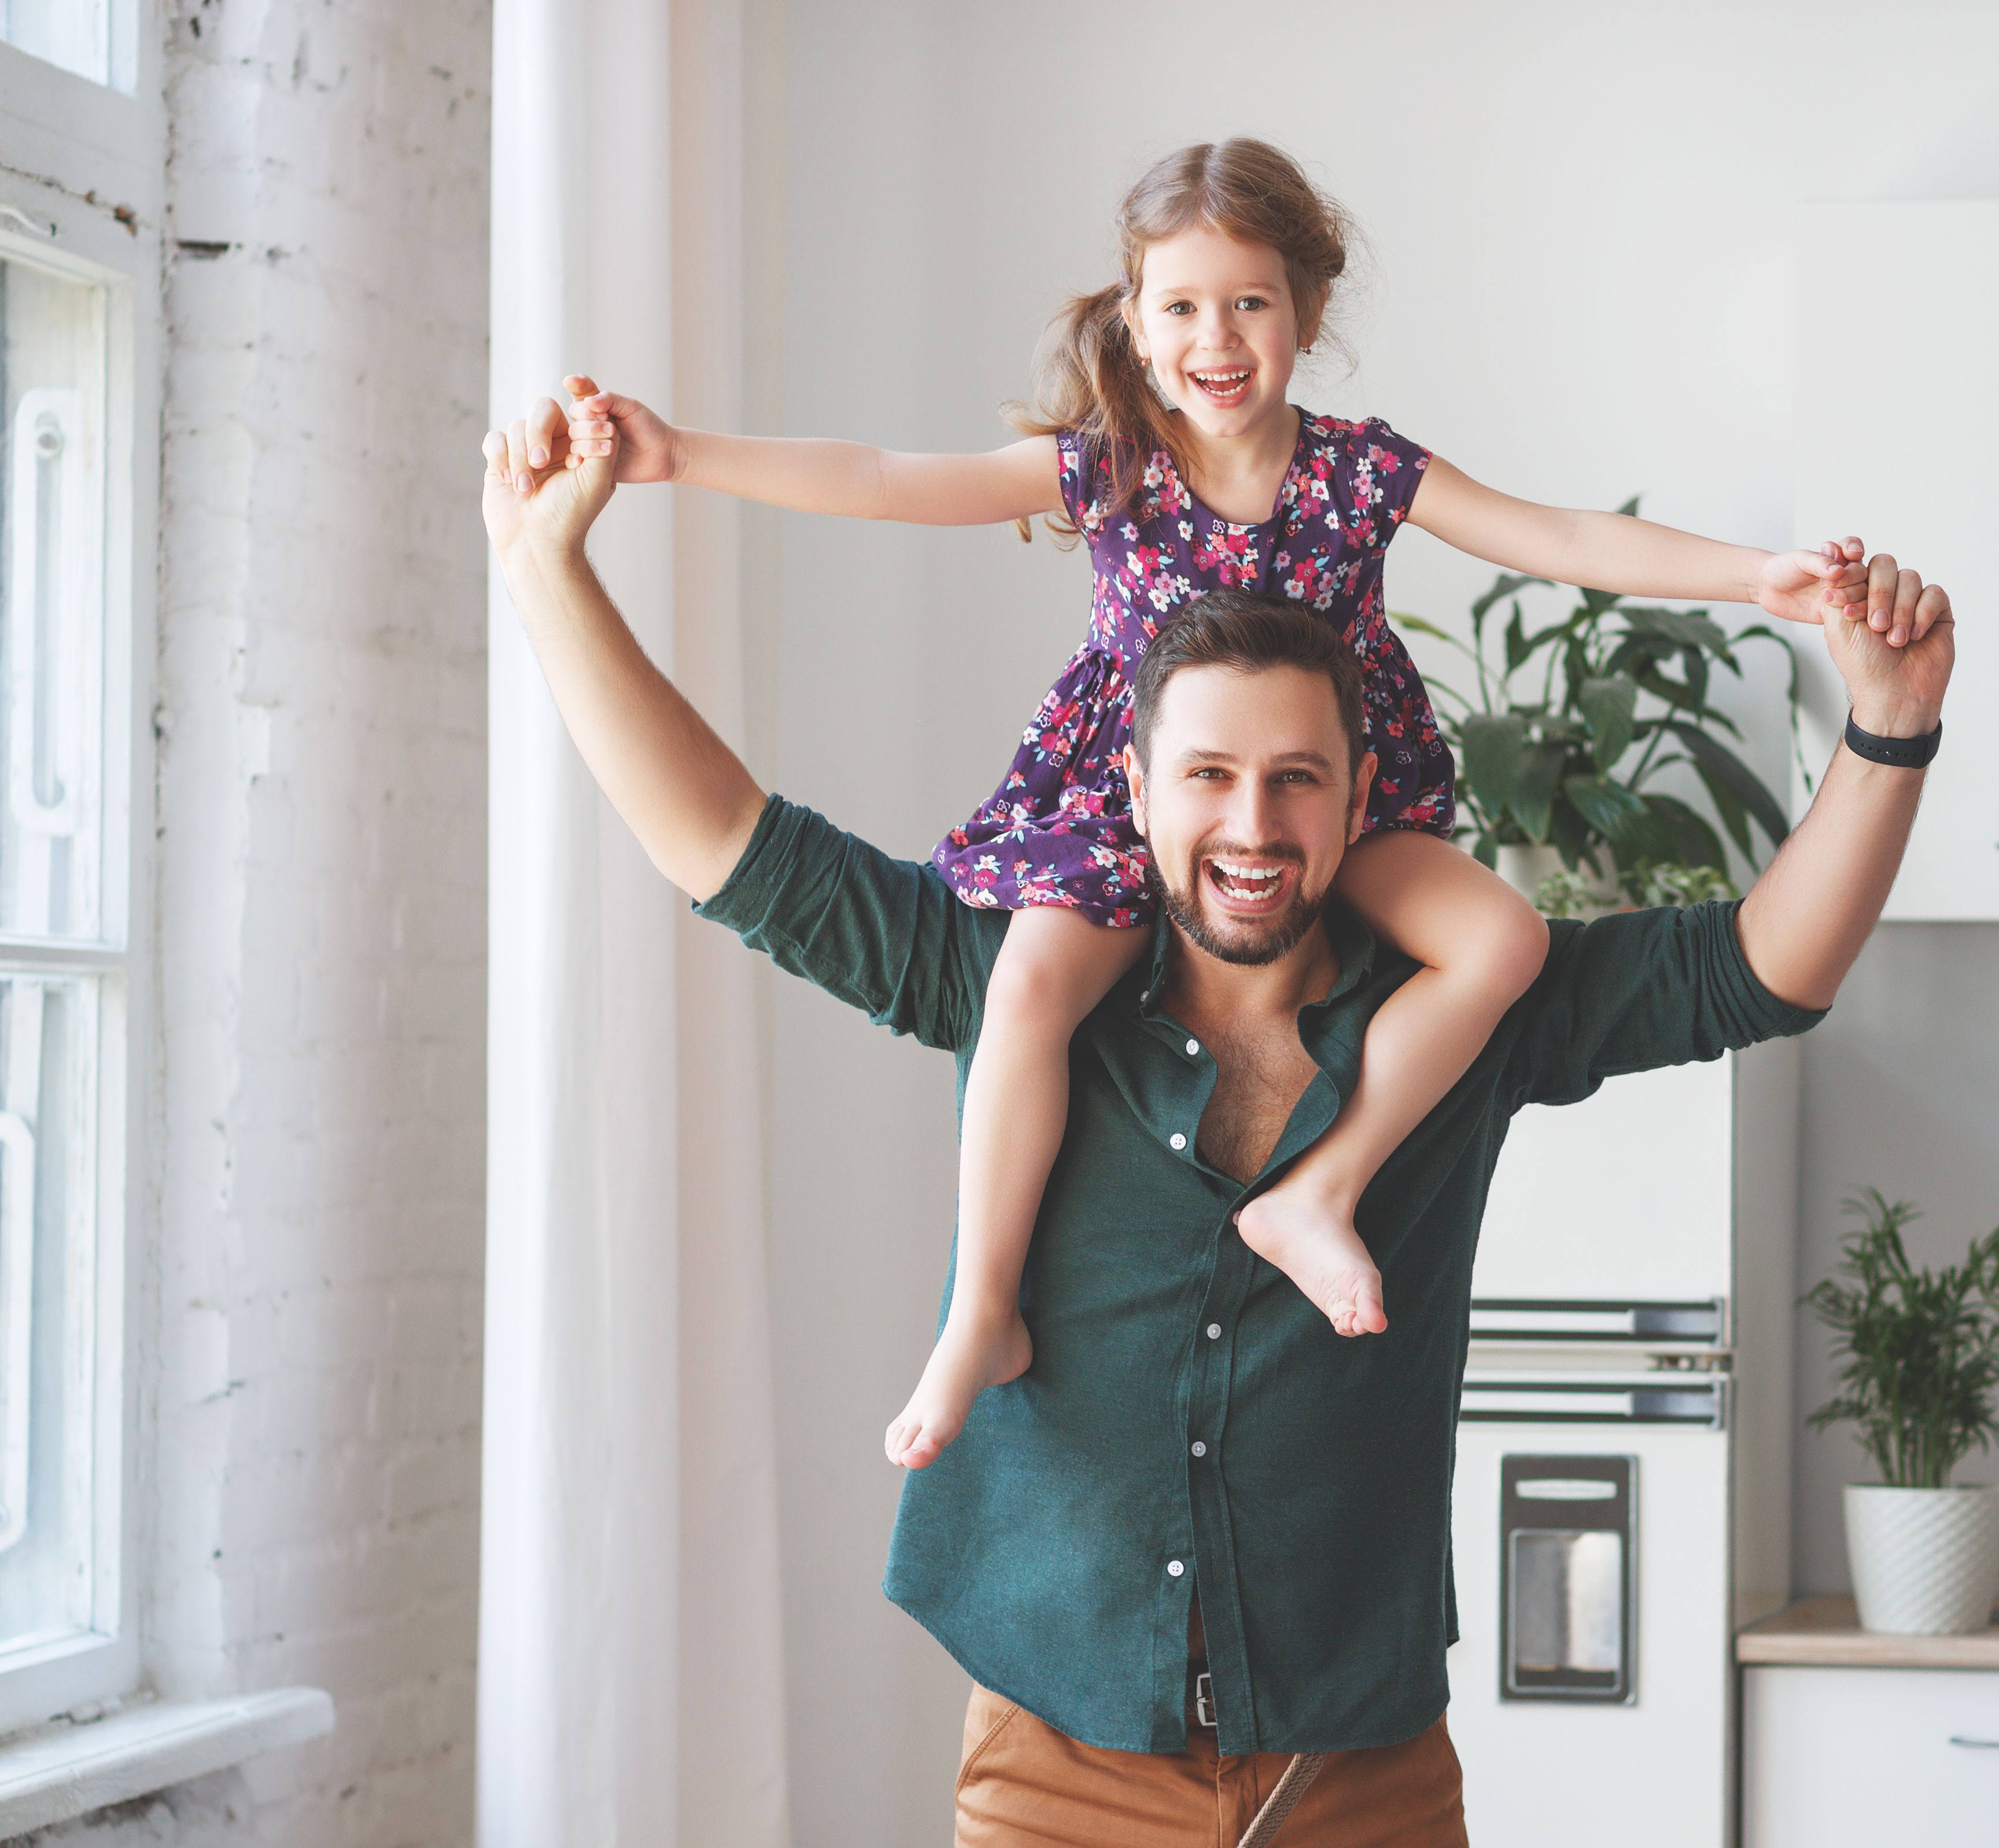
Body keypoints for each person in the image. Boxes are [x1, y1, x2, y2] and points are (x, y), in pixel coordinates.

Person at [482, 370, 1952, 1847]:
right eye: (1209, 777)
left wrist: (1886, 732)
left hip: (1358, 1779)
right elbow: (734, 851)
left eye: (1297, 780)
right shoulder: (1019, 989)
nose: (1252, 827)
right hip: (1057, 1773)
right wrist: (546, 569)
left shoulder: (1463, 1013)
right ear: (1132, 785)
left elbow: (1759, 972)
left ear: (1364, 784)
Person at [522, 137, 1874, 1469]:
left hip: (1338, 797)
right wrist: (678, 452)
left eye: (1248, 303)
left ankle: (1322, 1186)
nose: (1214, 338)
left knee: (1506, 943)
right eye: (1179, 305)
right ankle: (982, 1308)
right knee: (1032, 988)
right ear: (1135, 315)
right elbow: (883, 478)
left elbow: (1565, 537)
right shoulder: (1111, 462)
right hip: (1145, 806)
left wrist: (1761, 577)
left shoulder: (1359, 470)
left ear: (1306, 314)